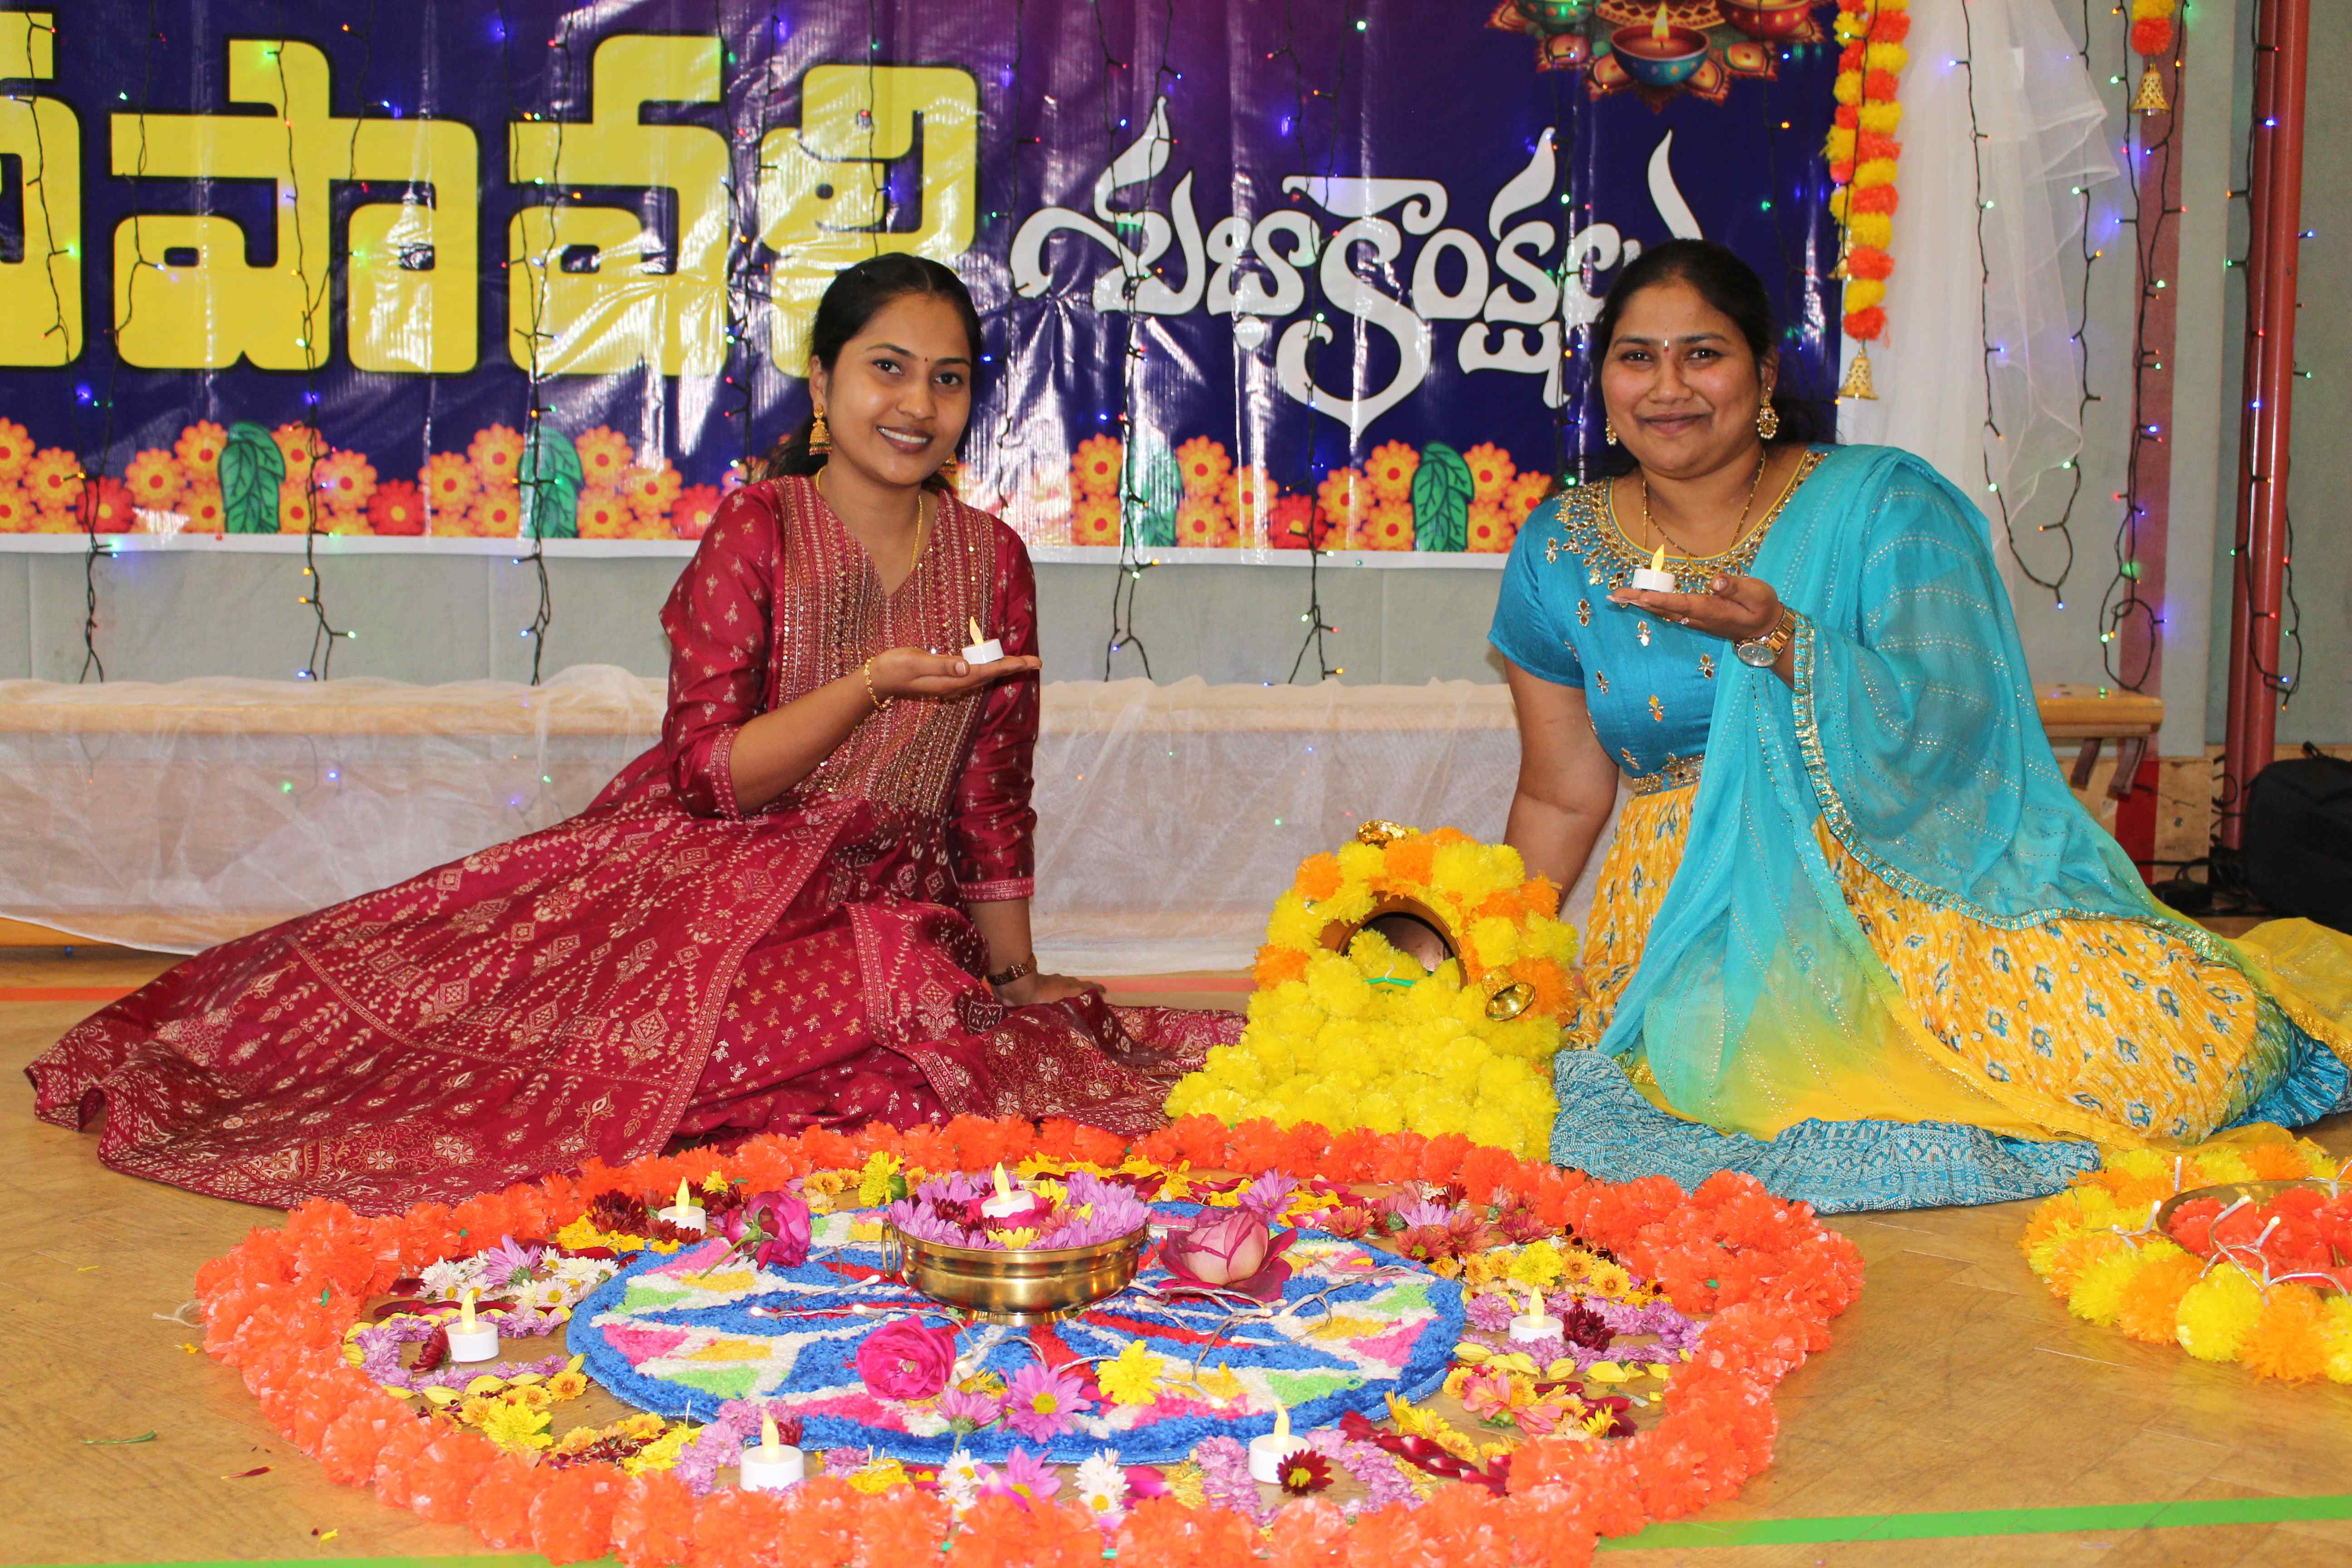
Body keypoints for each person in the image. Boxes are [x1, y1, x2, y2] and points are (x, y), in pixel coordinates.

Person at [29, 255, 1240, 1215]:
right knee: (595, 1062)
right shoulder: (759, 530)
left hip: (893, 908)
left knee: (940, 1016)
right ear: (823, 383)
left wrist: (1016, 978)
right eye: (888, 369)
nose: (918, 405)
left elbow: (991, 792)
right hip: (717, 889)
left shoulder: (994, 559)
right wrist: (868, 687)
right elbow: (710, 781)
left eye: (950, 378)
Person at [1492, 239, 2352, 1211]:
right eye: (1637, 357)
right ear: (1604, 381)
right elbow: (1559, 794)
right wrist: (1496, 956)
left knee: (2159, 1063)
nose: (1668, 387)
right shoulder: (1558, 546)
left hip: (1895, 874)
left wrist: (1784, 640)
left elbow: (1961, 728)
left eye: (1703, 354)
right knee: (1732, 1092)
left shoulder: (1883, 504)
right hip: (1694, 917)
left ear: (1764, 375)